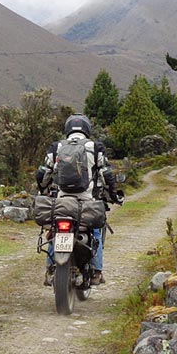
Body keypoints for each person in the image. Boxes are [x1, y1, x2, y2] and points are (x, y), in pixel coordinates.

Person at [35, 113, 119, 285]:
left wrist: (43, 190)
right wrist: (113, 192)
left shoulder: (56, 147)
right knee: (96, 229)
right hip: (87, 202)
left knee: (55, 228)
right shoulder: (95, 147)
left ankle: (51, 268)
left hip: (62, 202)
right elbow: (106, 173)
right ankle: (96, 271)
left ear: (67, 129)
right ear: (87, 129)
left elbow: (43, 173)